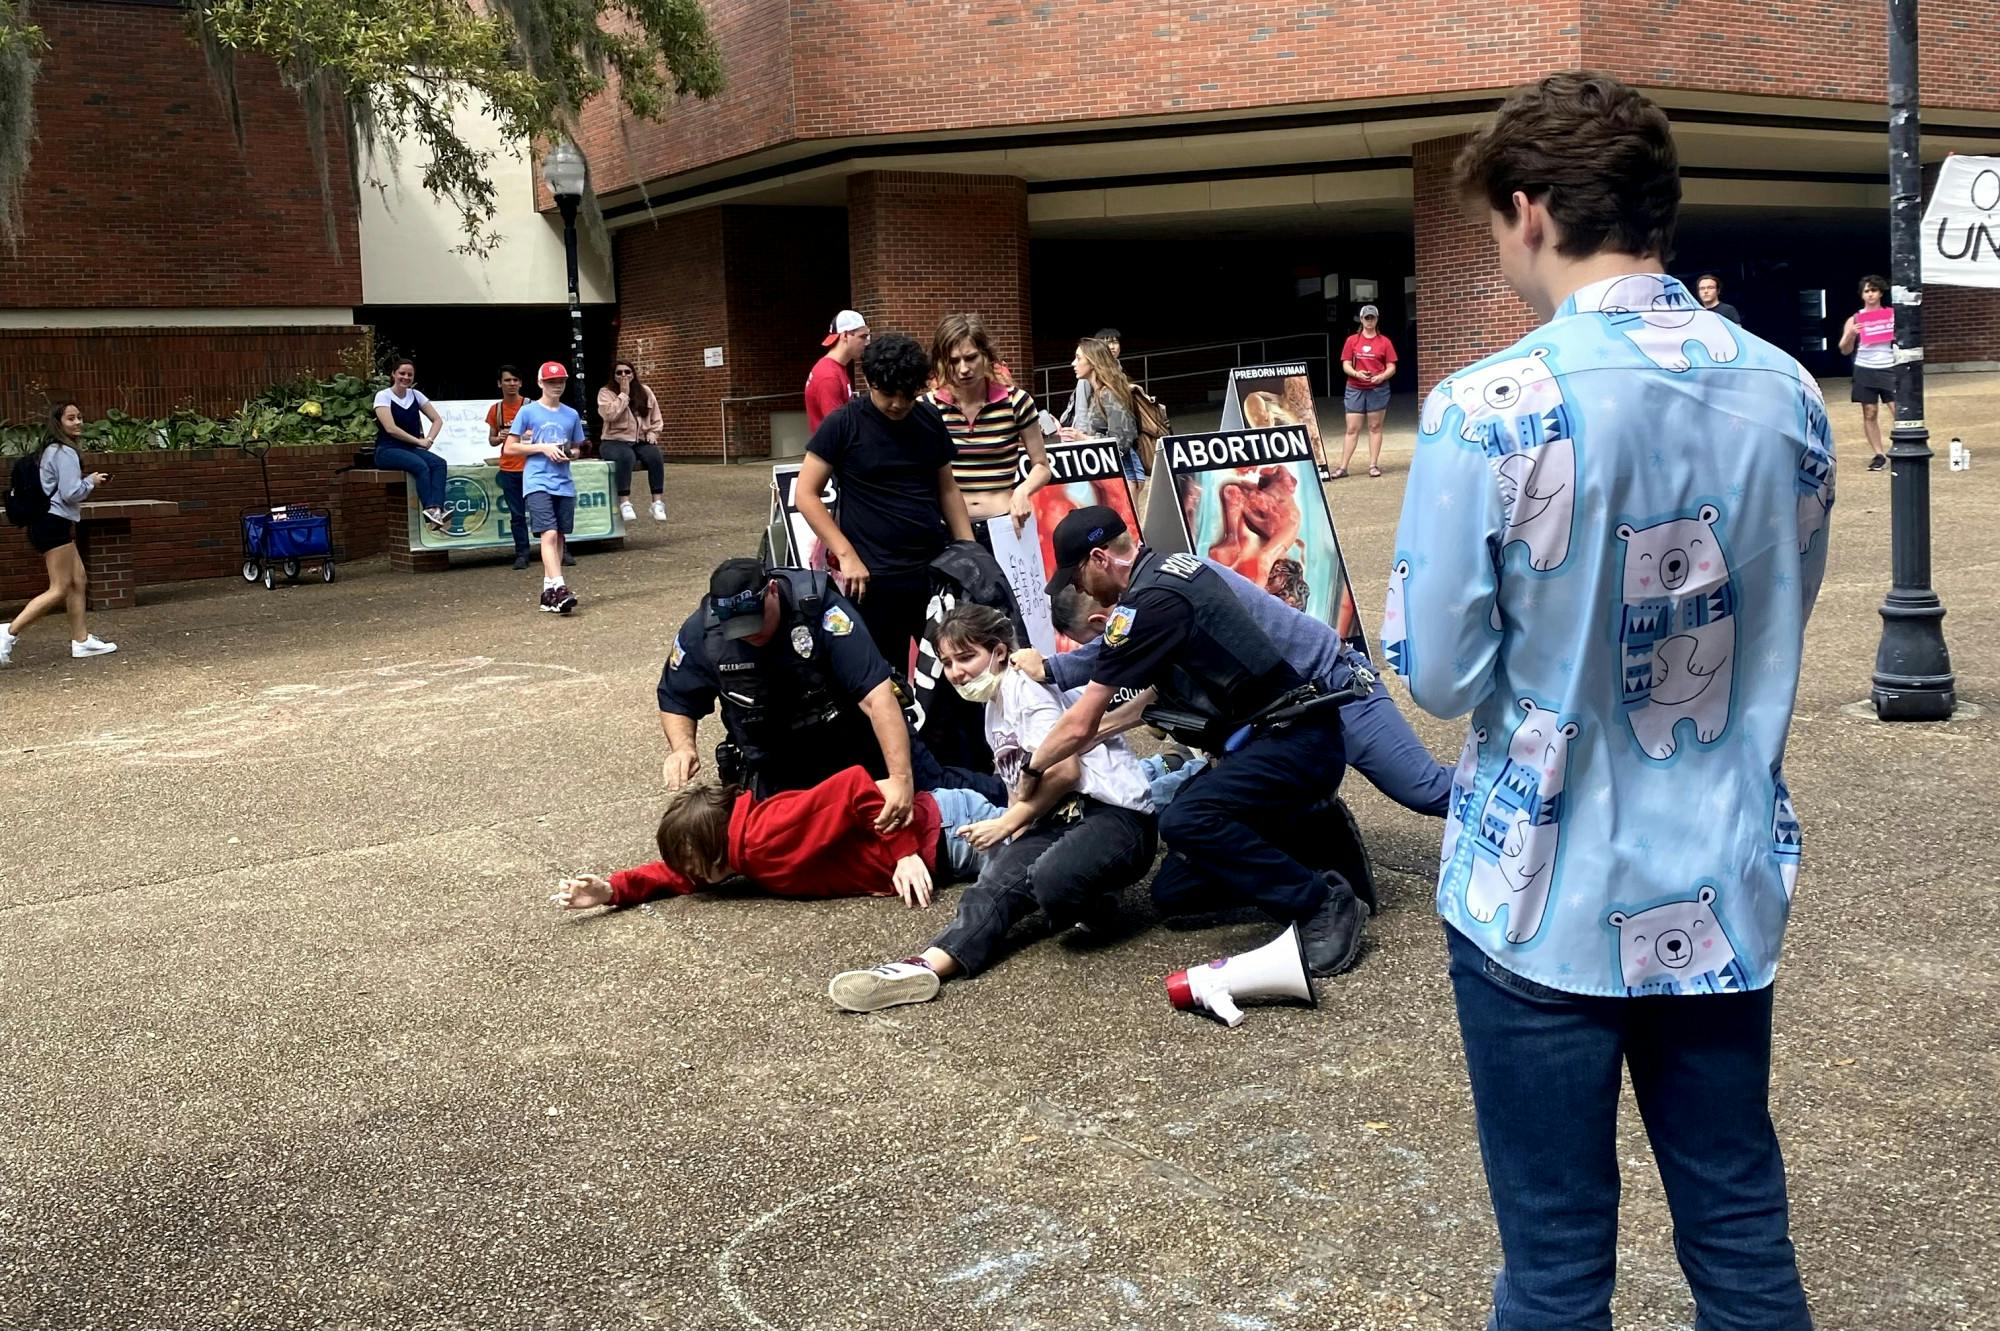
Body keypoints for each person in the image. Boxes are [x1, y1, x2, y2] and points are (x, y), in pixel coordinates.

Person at [1394, 73, 1824, 1330]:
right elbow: (1778, 613)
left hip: (1540, 888)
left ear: (1526, 209)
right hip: (1720, 872)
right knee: (1739, 1233)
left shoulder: (1486, 408)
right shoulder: (1788, 394)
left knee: (1553, 1263)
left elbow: (1436, 672)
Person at [1024, 506, 1370, 977]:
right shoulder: (1169, 571)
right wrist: (1056, 677)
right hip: (1266, 743)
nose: (1080, 590)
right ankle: (1316, 839)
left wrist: (1032, 768)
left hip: (1293, 741)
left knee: (1189, 819)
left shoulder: (1149, 604)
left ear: (1100, 558)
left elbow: (1082, 722)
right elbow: (1123, 675)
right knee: (1175, 892)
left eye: (1077, 576)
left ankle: (1321, 905)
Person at [827, 604, 1159, 1013]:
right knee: (992, 885)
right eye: (947, 663)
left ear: (999, 652)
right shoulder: (993, 706)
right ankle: (922, 966)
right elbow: (1023, 787)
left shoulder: (1024, 687)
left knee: (1051, 880)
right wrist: (1014, 837)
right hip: (1058, 818)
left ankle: (1098, 898)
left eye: (966, 658)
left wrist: (1008, 822)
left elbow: (1065, 770)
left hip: (1114, 816)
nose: (956, 673)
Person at [1026, 568, 1452, 823]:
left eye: (1090, 641)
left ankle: (1513, 797)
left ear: (1104, 621)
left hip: (1334, 689)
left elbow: (1109, 664)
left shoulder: (1152, 608)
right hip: (1290, 717)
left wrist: (1052, 671)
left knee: (1427, 791)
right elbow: (1151, 699)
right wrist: (1090, 735)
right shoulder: (1150, 604)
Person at [659, 556, 1005, 815]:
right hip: (778, 759)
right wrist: (683, 747)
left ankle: (1025, 796)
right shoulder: (702, 633)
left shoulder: (822, 612)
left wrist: (900, 779)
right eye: (739, 628)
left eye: (756, 621)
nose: (751, 634)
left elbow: (877, 698)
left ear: (773, 591)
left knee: (931, 793)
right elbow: (677, 698)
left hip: (854, 741)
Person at [551, 765, 1000, 911]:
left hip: (942, 832)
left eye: (692, 861)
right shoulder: (740, 852)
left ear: (712, 848)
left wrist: (902, 854)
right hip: (939, 836)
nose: (689, 874)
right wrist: (614, 889)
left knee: (1042, 853)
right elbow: (675, 876)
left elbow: (854, 785)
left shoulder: (764, 835)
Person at [796, 332, 974, 670]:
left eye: (907, 395)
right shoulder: (843, 424)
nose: (897, 404)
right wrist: (846, 555)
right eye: (888, 394)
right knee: (883, 677)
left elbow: (947, 488)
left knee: (948, 670)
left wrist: (968, 552)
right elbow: (806, 494)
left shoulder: (928, 419)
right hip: (871, 576)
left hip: (931, 570)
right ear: (869, 381)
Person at [0, 401, 117, 666]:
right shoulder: (65, 452)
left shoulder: (49, 450)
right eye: (71, 418)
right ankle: (7, 634)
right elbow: (70, 493)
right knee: (59, 588)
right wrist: (91, 481)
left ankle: (82, 641)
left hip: (50, 522)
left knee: (78, 580)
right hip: (52, 522)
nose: (78, 423)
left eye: (80, 417)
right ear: (58, 423)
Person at [925, 313, 1052, 535]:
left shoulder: (1016, 401)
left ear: (986, 356)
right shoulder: (928, 407)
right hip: (948, 526)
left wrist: (1023, 491)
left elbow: (1041, 466)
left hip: (1004, 522)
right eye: (954, 361)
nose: (963, 369)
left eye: (971, 357)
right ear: (941, 362)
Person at [502, 361, 586, 614]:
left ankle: (548, 592)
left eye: (560, 381)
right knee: (548, 533)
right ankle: (560, 587)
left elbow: (577, 448)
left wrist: (569, 453)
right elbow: (510, 447)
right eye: (551, 382)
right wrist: (543, 448)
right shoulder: (528, 412)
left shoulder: (571, 414)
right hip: (537, 480)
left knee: (560, 534)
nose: (556, 386)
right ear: (540, 383)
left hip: (563, 481)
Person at [371, 357, 452, 533]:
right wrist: (418, 441)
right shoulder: (383, 396)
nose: (405, 377)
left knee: (439, 463)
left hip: (410, 449)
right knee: (420, 466)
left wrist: (429, 439)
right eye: (402, 373)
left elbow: (437, 419)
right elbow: (391, 429)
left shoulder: (416, 395)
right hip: (387, 449)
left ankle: (437, 509)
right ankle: (430, 509)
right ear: (393, 374)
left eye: (410, 374)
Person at [1058, 337, 1146, 486]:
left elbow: (1121, 442)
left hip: (1124, 471)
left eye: (1078, 358)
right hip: (1108, 469)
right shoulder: (1097, 393)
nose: (1073, 363)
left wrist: (1083, 438)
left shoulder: (1109, 393)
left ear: (1093, 362)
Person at [596, 359, 667, 524]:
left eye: (627, 372)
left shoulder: (645, 391)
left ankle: (657, 502)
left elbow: (656, 418)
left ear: (633, 374)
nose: (623, 375)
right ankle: (625, 501)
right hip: (614, 440)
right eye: (619, 372)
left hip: (640, 439)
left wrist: (653, 433)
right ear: (613, 376)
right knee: (625, 457)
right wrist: (623, 395)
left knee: (655, 456)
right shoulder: (605, 393)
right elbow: (609, 415)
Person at [1332, 304, 1398, 479]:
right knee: (1352, 428)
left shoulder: (1385, 342)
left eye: (1372, 317)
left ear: (1377, 319)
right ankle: (1343, 467)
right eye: (1366, 318)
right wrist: (1356, 373)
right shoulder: (1352, 340)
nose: (1369, 321)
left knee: (1375, 427)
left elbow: (1392, 366)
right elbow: (1345, 363)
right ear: (1361, 319)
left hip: (1378, 388)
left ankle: (1373, 465)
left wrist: (1382, 376)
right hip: (1355, 387)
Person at [1839, 274, 1895, 472]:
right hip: (1865, 368)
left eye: (1874, 290)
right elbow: (1844, 349)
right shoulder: (1855, 319)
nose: (1870, 294)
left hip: (1889, 366)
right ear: (1862, 295)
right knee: (1870, 412)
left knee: (1899, 410)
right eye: (1866, 291)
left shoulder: (1892, 315)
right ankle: (1879, 454)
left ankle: (1903, 446)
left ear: (1880, 292)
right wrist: (1851, 334)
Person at [484, 365, 534, 569]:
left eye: (515, 380)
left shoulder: (531, 406)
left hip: (533, 466)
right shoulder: (495, 410)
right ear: (499, 384)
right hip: (509, 467)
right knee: (517, 515)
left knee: (545, 511)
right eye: (507, 380)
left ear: (521, 383)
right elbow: (492, 440)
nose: (512, 384)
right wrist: (500, 437)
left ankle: (560, 550)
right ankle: (522, 554)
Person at [806, 309, 868, 432]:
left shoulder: (835, 367)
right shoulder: (829, 376)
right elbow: (838, 429)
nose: (867, 342)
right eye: (863, 336)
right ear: (845, 335)